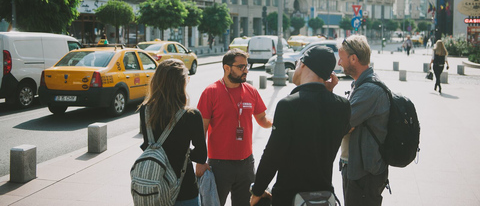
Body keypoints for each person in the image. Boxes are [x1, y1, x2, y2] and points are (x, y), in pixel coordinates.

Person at [249, 46, 351, 206]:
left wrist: (258, 190)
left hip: (289, 197)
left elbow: (272, 155)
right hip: (323, 196)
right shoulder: (343, 106)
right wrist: (328, 92)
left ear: (303, 65)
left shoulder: (289, 105)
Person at [196, 49, 273, 206]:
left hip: (246, 164)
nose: (246, 71)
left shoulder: (250, 91)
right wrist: (200, 161)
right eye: (241, 67)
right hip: (218, 165)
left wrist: (279, 121)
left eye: (247, 66)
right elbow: (201, 129)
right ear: (227, 68)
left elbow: (263, 120)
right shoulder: (211, 92)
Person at [138, 59, 207, 206]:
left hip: (154, 187)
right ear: (181, 83)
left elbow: (147, 145)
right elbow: (201, 155)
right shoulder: (191, 115)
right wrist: (184, 151)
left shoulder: (146, 110)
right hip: (184, 188)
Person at [338, 35, 390, 206]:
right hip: (359, 168)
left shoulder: (368, 90)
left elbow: (342, 125)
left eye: (341, 58)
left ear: (353, 59)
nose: (339, 63)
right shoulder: (361, 85)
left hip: (364, 173)